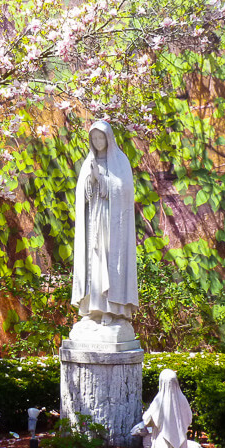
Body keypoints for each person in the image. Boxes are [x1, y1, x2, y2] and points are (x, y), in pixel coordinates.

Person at [70, 120, 139, 331]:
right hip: (93, 222)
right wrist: (91, 180)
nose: (98, 142)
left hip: (113, 225)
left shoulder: (120, 161)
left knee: (109, 264)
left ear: (108, 139)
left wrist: (102, 180)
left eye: (101, 138)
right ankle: (94, 310)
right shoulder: (88, 163)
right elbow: (82, 196)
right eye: (94, 138)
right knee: (93, 264)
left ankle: (112, 310)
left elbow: (124, 190)